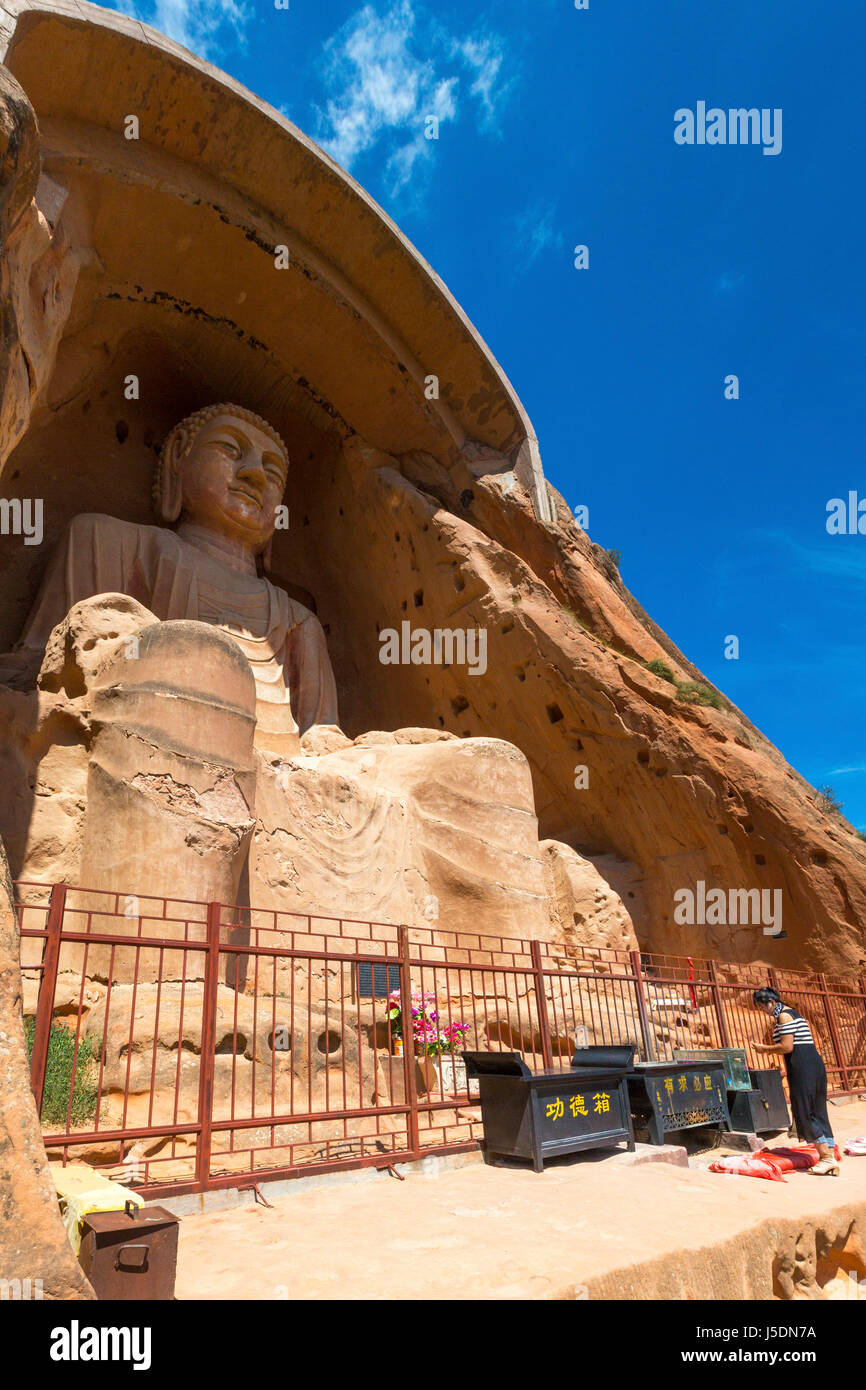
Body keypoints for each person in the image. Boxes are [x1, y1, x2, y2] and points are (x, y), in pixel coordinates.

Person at [752, 986, 840, 1175]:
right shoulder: (790, 1014)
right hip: (811, 1064)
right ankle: (828, 1156)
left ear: (772, 1001)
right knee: (817, 1109)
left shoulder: (784, 1016)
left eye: (762, 1005)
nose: (762, 1009)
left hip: (803, 1066)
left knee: (804, 1110)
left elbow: (787, 1046)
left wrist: (764, 1049)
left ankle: (826, 1158)